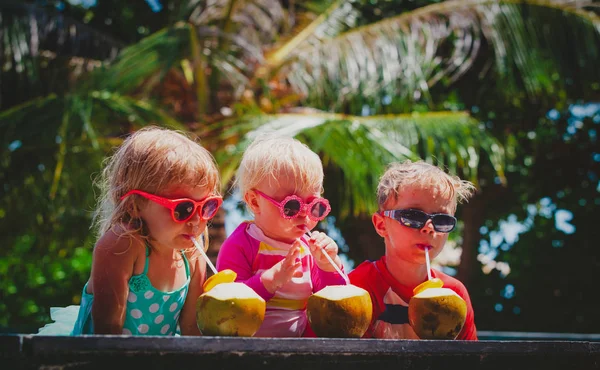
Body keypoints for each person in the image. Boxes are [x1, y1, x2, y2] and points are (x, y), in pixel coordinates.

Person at [38, 126, 222, 336]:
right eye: (183, 208)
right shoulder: (122, 244)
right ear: (135, 205)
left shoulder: (191, 254)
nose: (197, 220)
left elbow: (192, 331)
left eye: (207, 206)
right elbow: (107, 330)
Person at [216, 133, 347, 337]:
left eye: (314, 206)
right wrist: (270, 280)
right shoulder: (242, 244)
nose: (304, 215)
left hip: (302, 348)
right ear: (255, 202)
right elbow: (227, 306)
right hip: (250, 350)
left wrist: (329, 266)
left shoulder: (309, 248)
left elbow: (336, 304)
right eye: (292, 206)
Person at [349, 160, 478, 340]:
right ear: (381, 225)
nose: (429, 227)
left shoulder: (454, 294)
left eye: (442, 220)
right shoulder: (358, 288)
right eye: (413, 216)